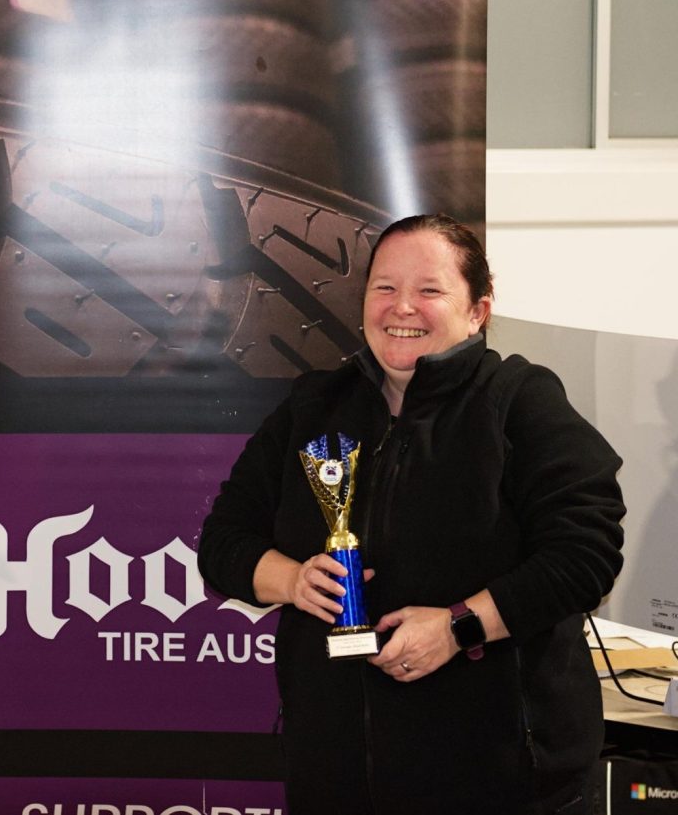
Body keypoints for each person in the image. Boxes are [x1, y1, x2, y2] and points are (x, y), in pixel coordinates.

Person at [197, 214, 625, 815]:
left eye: (430, 290)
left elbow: (586, 558)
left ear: (478, 309)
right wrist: (291, 581)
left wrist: (459, 627)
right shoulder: (314, 406)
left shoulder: (521, 402)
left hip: (496, 777)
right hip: (335, 771)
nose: (403, 307)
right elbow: (222, 542)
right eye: (385, 288)